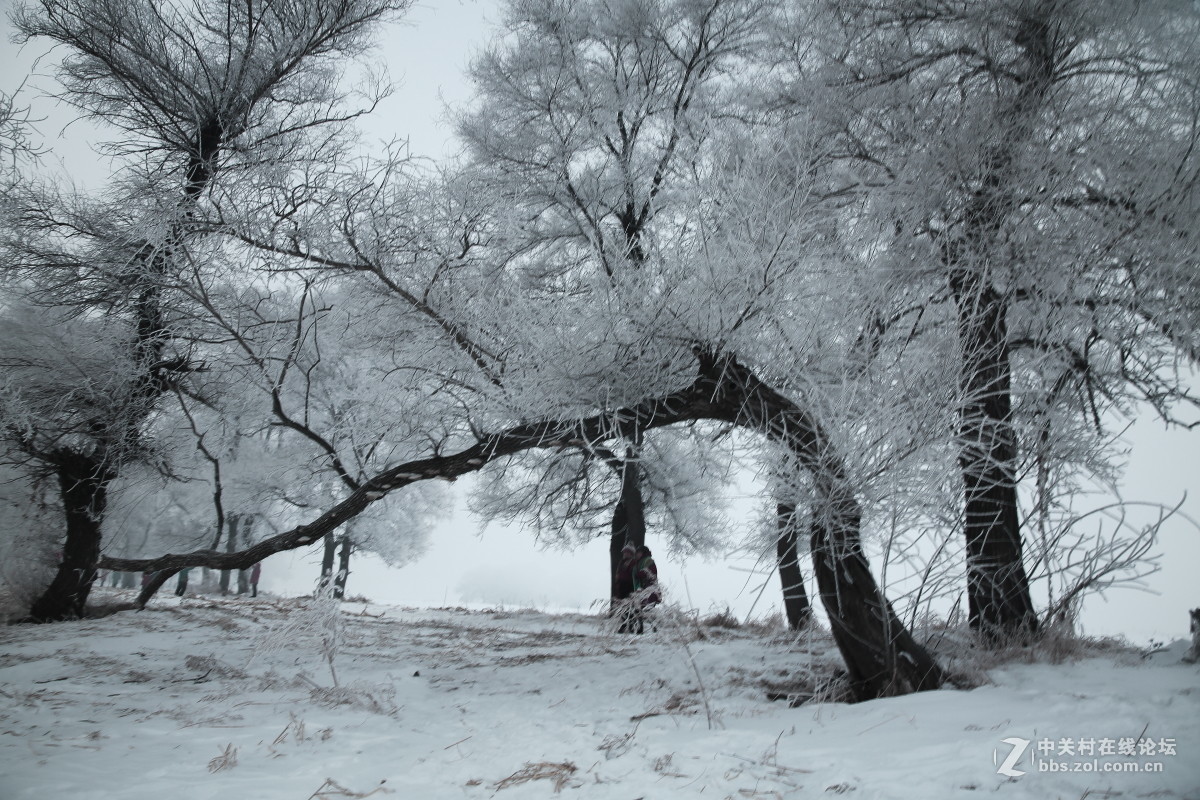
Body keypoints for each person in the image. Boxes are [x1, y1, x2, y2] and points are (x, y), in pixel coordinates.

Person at [613, 543, 640, 633]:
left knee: (630, 609)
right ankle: (624, 626)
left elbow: (634, 576)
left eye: (628, 552)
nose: (625, 554)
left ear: (631, 553)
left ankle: (632, 627)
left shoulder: (634, 563)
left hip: (630, 588)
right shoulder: (622, 562)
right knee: (623, 609)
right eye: (625, 552)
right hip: (621, 587)